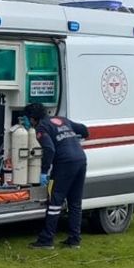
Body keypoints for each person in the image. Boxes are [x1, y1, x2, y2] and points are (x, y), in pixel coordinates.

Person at [25, 103, 89, 249]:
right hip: (81, 159)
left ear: (33, 119)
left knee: (55, 200)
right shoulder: (61, 120)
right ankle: (74, 239)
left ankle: (46, 240)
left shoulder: (41, 128)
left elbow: (49, 148)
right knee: (75, 202)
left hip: (64, 164)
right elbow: (84, 130)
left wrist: (44, 171)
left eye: (28, 119)